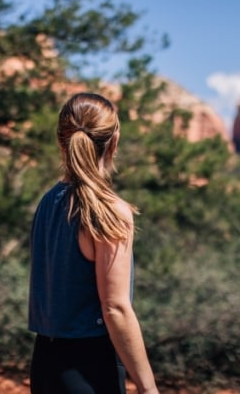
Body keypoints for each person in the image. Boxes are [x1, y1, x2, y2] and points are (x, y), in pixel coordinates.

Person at [28, 92, 159, 394]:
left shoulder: (48, 202)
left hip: (45, 364)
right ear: (113, 142)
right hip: (90, 368)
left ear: (61, 141)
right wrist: (148, 388)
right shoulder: (109, 210)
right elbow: (115, 308)